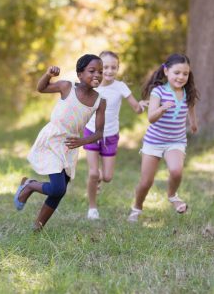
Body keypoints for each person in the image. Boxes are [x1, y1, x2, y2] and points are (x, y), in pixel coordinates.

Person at [14, 54, 106, 231]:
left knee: (60, 190)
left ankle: (37, 227)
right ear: (80, 74)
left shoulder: (100, 101)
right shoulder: (67, 86)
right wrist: (48, 75)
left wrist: (83, 141)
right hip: (52, 139)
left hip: (71, 144)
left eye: (100, 72)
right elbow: (41, 88)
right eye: (92, 71)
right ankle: (30, 185)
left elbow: (100, 132)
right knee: (57, 188)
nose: (97, 75)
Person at [127, 53, 198, 222]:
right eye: (177, 73)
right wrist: (162, 108)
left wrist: (193, 123)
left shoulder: (187, 93)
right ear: (166, 71)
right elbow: (151, 117)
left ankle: (172, 196)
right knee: (146, 182)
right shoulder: (158, 92)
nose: (181, 77)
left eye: (185, 74)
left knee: (176, 170)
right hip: (154, 142)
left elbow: (191, 107)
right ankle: (136, 208)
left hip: (176, 141)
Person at [83, 51, 149, 220]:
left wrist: (142, 105)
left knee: (107, 177)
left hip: (110, 135)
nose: (109, 71)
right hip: (91, 132)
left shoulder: (120, 87)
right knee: (93, 173)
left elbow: (136, 108)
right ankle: (92, 208)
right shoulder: (92, 85)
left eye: (114, 67)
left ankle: (98, 179)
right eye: (105, 67)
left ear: (118, 68)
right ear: (98, 68)